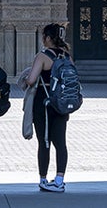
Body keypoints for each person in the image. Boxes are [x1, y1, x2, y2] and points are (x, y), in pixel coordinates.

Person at [22, 23, 70, 192]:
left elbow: (31, 80)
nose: (43, 39)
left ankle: (43, 179)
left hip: (44, 102)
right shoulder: (66, 56)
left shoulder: (43, 56)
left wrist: (27, 75)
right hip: (62, 102)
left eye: (44, 36)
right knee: (61, 142)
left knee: (44, 141)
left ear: (49, 38)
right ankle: (59, 179)